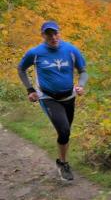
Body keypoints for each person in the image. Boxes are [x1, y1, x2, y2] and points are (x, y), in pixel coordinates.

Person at [17, 21, 88, 181]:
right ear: (43, 35)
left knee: (66, 132)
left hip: (69, 96)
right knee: (64, 130)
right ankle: (63, 164)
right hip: (48, 97)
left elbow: (83, 71)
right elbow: (21, 69)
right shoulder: (35, 53)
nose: (53, 37)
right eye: (49, 34)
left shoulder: (71, 50)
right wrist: (30, 89)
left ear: (59, 33)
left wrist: (81, 85)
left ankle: (62, 160)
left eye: (55, 33)